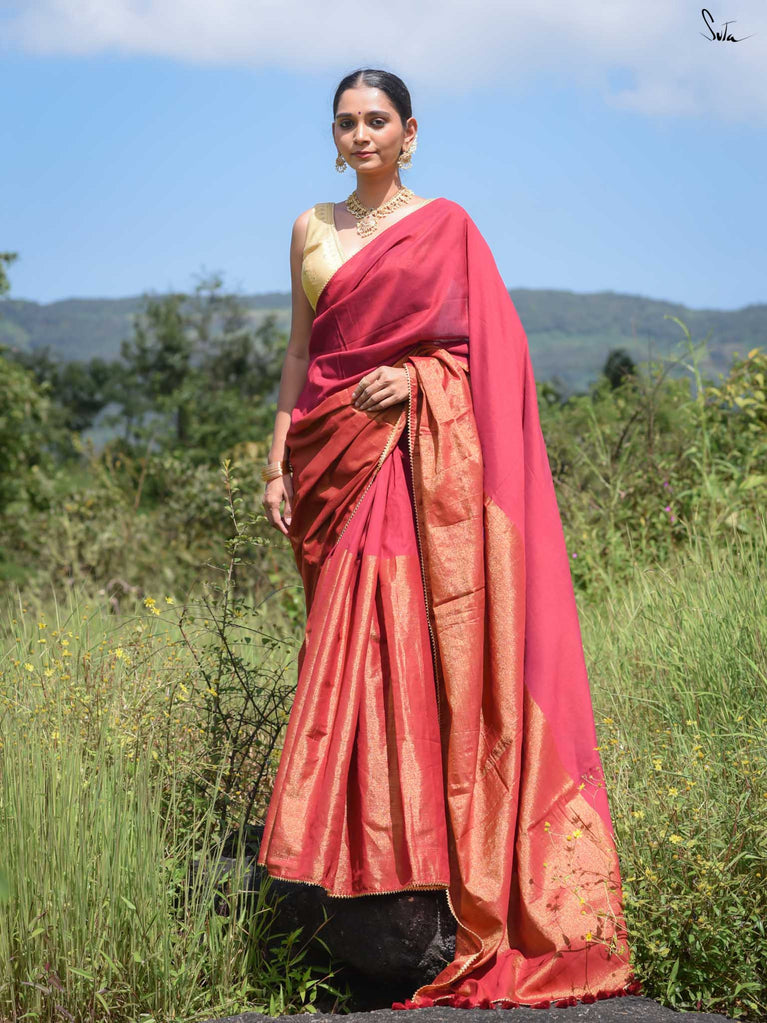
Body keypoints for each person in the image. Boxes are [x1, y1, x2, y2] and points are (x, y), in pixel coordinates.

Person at [256, 67, 641, 1011]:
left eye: (375, 120)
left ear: (409, 131)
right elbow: (301, 352)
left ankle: (440, 867)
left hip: (412, 465)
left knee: (410, 652)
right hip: (330, 460)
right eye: (345, 122)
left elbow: (491, 354)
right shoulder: (309, 227)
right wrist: (275, 462)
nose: (359, 134)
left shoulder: (446, 226)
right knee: (346, 660)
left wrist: (420, 376)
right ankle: (359, 853)